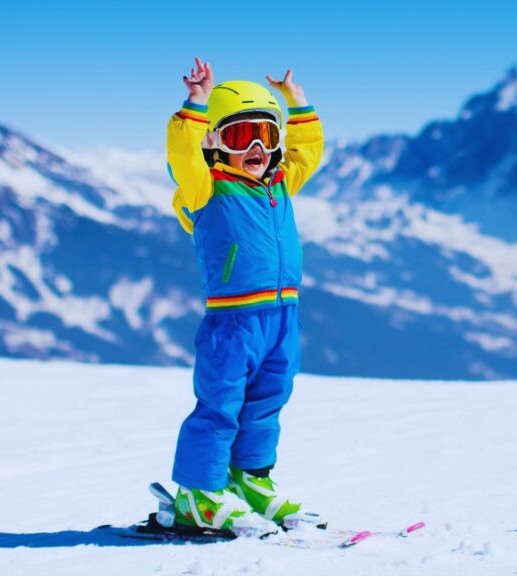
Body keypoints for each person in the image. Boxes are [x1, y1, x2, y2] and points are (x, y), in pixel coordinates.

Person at [166, 57, 324, 531]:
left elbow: (306, 153)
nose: (256, 147)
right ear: (215, 141)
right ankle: (198, 493)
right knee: (221, 403)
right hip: (233, 321)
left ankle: (249, 478)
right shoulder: (205, 188)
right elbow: (183, 156)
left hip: (282, 315)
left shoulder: (280, 183)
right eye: (240, 136)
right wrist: (196, 105)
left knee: (267, 402)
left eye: (267, 135)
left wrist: (297, 103)